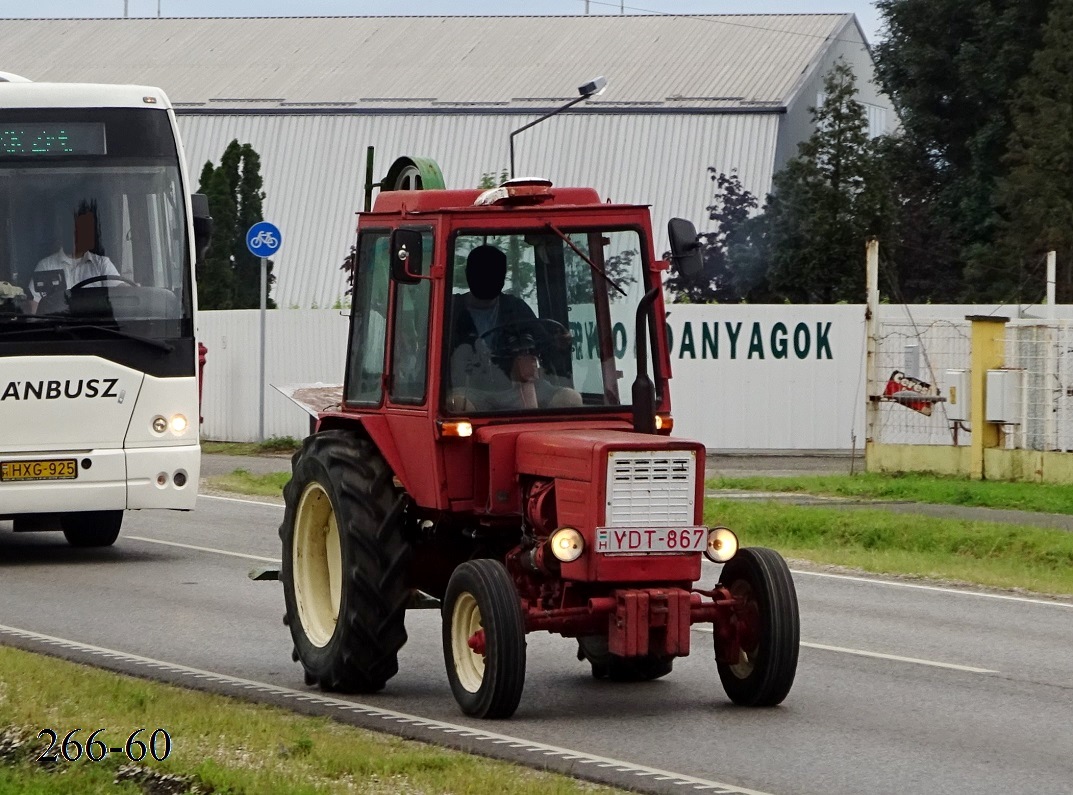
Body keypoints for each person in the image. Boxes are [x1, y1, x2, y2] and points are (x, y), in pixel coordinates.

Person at [448, 244, 581, 411]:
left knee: (570, 399)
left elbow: (543, 344)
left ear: (503, 277)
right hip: (471, 390)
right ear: (469, 274)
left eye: (495, 273)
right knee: (460, 405)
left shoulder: (516, 308)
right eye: (482, 273)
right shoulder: (452, 310)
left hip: (518, 388)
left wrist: (559, 344)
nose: (489, 279)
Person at [28, 205, 121, 312]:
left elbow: (119, 290)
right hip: (56, 326)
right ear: (63, 232)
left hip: (97, 326)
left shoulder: (102, 264)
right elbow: (34, 303)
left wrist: (130, 289)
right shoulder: (46, 266)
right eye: (73, 230)